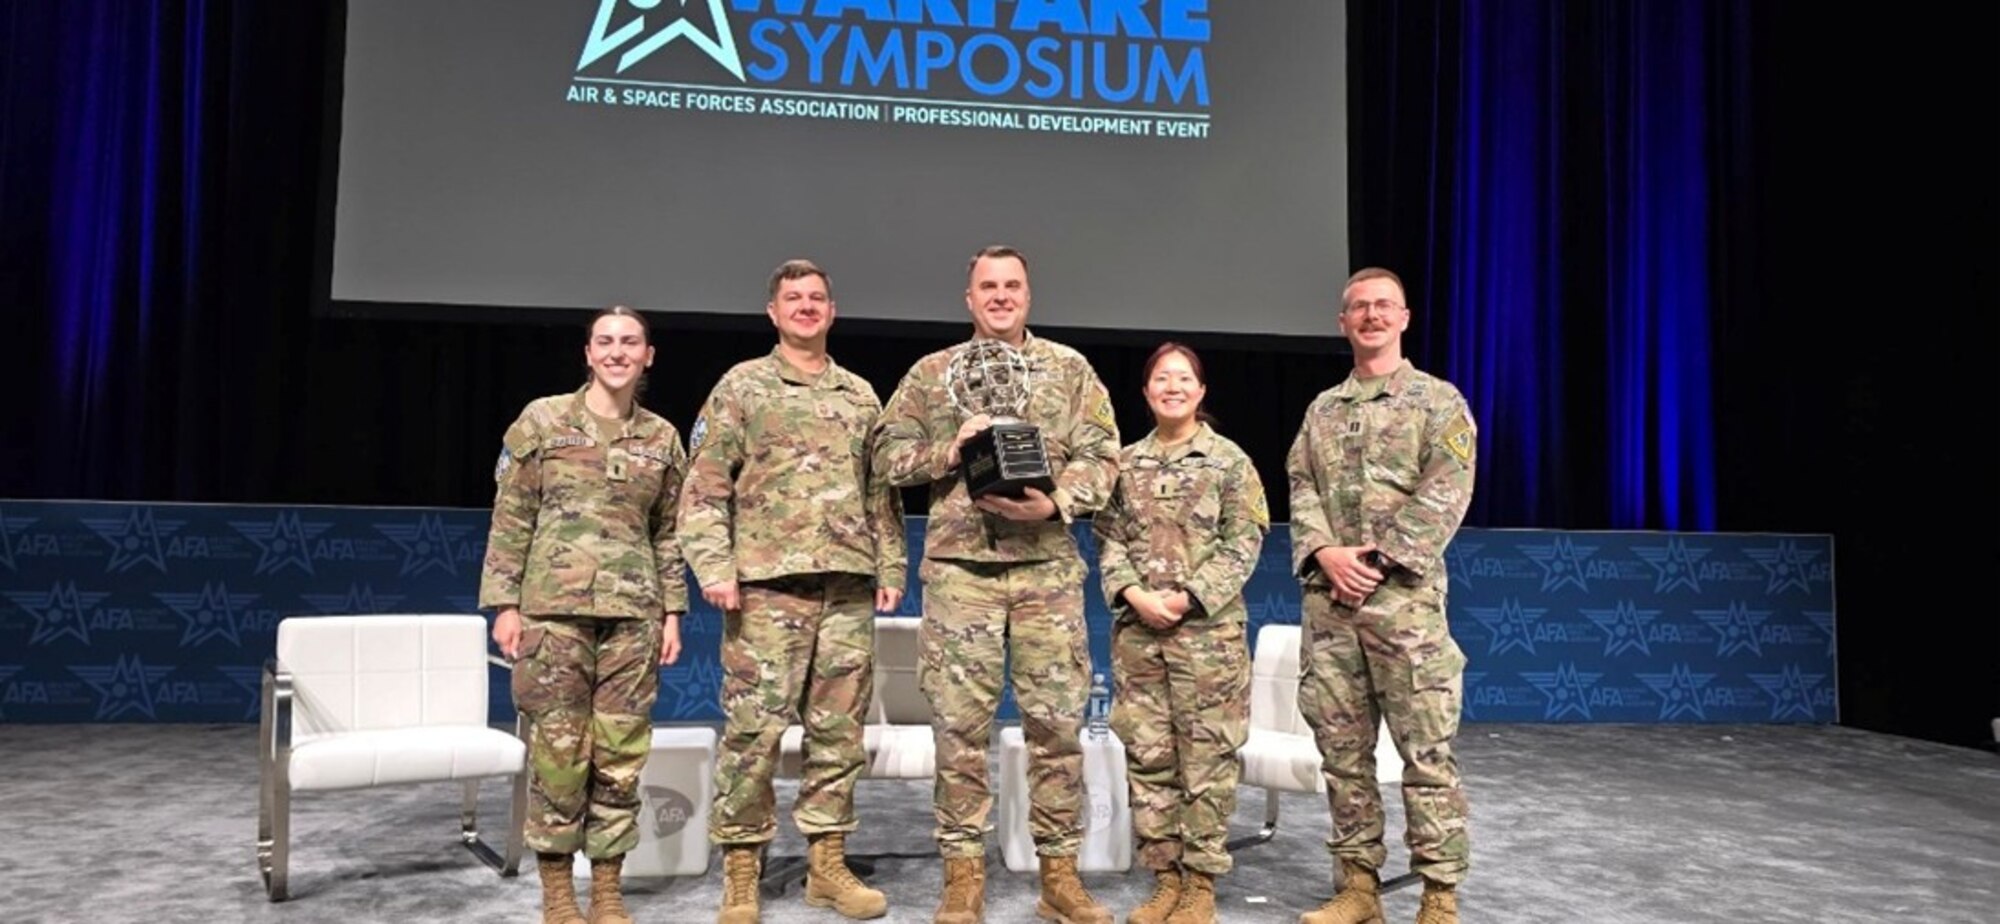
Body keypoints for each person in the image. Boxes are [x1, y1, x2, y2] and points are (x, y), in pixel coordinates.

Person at [871, 245, 1120, 924]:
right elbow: (888, 458)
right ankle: (962, 879)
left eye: (1013, 286)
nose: (1001, 296)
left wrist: (1059, 502)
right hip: (961, 575)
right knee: (958, 731)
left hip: (1046, 571)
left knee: (1057, 727)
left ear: (1028, 296)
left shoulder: (1069, 371)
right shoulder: (931, 375)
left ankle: (1059, 878)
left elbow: (1104, 454)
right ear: (969, 298)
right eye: (989, 286)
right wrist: (949, 450)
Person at [676, 259, 906, 924]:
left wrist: (890, 567)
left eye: (817, 298)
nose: (806, 307)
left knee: (839, 734)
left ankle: (827, 867)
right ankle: (742, 870)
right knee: (754, 731)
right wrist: (713, 566)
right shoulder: (742, 388)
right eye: (793, 298)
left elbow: (880, 495)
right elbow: (705, 486)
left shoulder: (860, 395)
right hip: (765, 589)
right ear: (773, 313)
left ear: (831, 312)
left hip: (847, 586)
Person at [481, 305, 688, 924]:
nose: (617, 352)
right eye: (605, 341)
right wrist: (506, 603)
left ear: (648, 356)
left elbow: (669, 534)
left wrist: (673, 611)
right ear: (588, 353)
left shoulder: (662, 438)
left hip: (634, 617)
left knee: (621, 754)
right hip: (552, 616)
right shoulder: (542, 421)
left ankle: (606, 891)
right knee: (559, 755)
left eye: (630, 342)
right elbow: (512, 515)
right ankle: (558, 895)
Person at [1286, 268, 1476, 924]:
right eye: (1358, 307)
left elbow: (1448, 486)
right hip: (1333, 609)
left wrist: (1379, 558)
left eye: (1382, 306)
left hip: (1406, 608)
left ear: (1404, 317)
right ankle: (1359, 887)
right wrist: (1324, 554)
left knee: (1426, 753)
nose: (1370, 315)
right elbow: (1300, 482)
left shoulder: (1438, 401)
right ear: (1343, 323)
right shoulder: (1322, 410)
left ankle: (1438, 896)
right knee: (1343, 754)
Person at [1093, 342, 1268, 924]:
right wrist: (1135, 595)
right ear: (1146, 393)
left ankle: (1200, 884)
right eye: (1161, 378)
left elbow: (1245, 541)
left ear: (1201, 391)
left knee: (1207, 760)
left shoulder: (1229, 463)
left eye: (1183, 378)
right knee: (1149, 758)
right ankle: (1165, 876)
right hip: (1138, 634)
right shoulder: (1122, 464)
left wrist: (1189, 597)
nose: (1172, 386)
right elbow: (1108, 540)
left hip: (1208, 638)